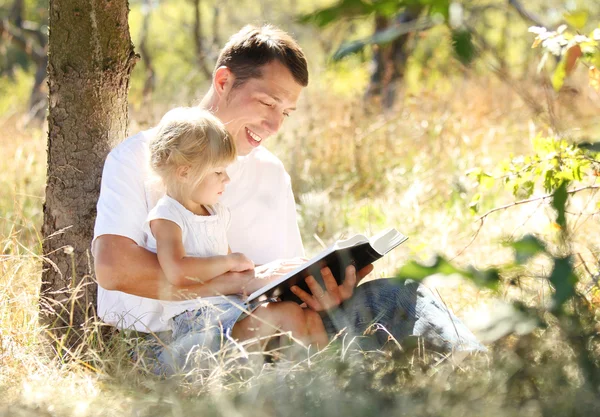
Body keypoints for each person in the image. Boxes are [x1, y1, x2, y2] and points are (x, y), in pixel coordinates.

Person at [93, 24, 483, 372]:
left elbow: (281, 286)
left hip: (272, 322)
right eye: (267, 103)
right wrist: (240, 281)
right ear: (224, 81)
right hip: (171, 343)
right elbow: (116, 270)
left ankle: (492, 380)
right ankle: (329, 383)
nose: (275, 124)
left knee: (399, 295)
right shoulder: (142, 158)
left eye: (287, 112)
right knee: (278, 330)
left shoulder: (270, 172)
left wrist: (324, 294)